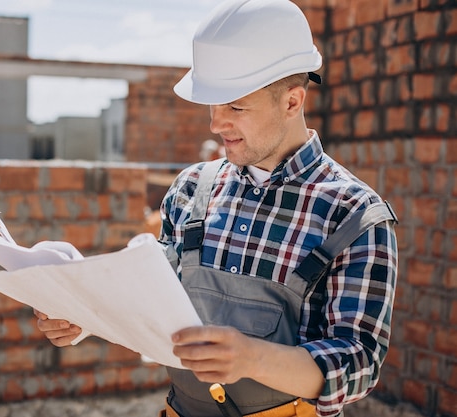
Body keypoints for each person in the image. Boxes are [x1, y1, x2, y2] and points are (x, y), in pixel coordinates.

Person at [35, 1, 398, 416]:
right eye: (213, 105)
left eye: (235, 108)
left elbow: (359, 363)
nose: (215, 124)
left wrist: (252, 358)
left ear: (292, 102)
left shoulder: (354, 215)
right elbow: (156, 304)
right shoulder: (192, 189)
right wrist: (87, 317)